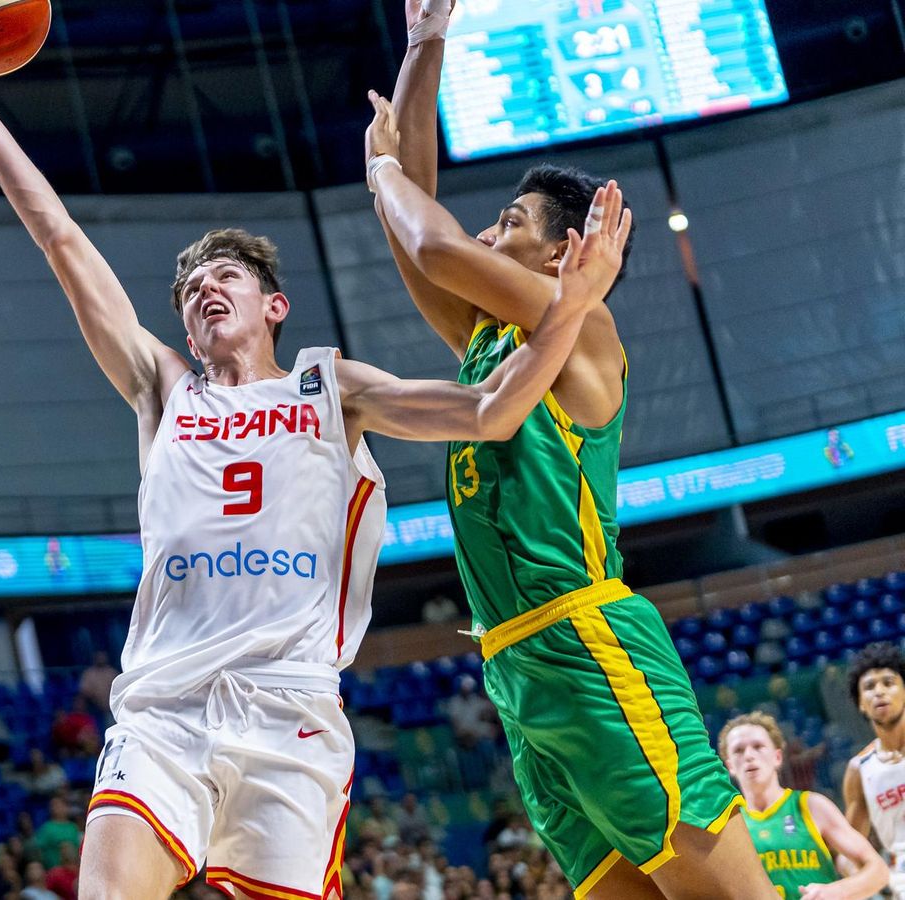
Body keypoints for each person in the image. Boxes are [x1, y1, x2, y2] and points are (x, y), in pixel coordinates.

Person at [0, 11, 626, 897]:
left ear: (274, 307)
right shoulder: (162, 388)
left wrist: (573, 305)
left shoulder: (333, 388)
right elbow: (59, 236)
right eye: (190, 289)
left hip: (289, 705)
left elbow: (491, 411)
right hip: (165, 706)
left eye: (226, 277)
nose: (205, 289)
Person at [369, 3, 763, 896]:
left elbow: (431, 238)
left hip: (589, 644)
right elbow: (418, 237)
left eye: (508, 222)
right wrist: (425, 44)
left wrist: (380, 167)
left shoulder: (580, 328)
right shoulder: (494, 345)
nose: (485, 234)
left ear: (563, 254)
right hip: (516, 669)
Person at [720, 712, 886, 899]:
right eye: (739, 750)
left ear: (777, 757)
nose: (749, 755)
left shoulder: (811, 806)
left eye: (758, 746)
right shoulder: (730, 826)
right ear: (729, 766)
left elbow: (878, 871)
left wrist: (836, 891)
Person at [842, 643, 905, 894]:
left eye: (888, 683)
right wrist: (876, 884)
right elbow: (848, 853)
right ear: (860, 703)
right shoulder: (859, 770)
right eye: (869, 687)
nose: (879, 691)